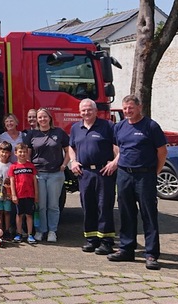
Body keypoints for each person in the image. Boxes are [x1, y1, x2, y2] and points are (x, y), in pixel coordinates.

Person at [108, 95, 167, 271]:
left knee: (148, 215)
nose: (127, 111)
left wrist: (154, 172)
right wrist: (119, 161)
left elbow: (162, 152)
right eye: (125, 108)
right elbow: (117, 146)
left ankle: (151, 254)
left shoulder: (151, 126)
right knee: (126, 213)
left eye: (131, 108)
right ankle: (126, 249)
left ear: (139, 107)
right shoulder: (120, 126)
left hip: (145, 176)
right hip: (124, 175)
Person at [68, 99, 118, 255]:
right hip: (85, 173)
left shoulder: (107, 126)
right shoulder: (76, 128)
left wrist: (115, 162)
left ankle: (106, 242)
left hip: (104, 172)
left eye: (89, 109)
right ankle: (91, 239)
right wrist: (73, 161)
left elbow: (119, 146)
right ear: (79, 112)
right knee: (88, 206)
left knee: (104, 206)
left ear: (96, 111)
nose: (86, 112)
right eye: (83, 110)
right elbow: (71, 146)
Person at [26, 108, 69, 243]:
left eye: (45, 117)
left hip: (55, 174)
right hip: (38, 174)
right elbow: (28, 154)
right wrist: (31, 169)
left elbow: (69, 150)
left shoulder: (59, 132)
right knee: (41, 205)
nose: (42, 119)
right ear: (37, 120)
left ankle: (52, 231)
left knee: (53, 205)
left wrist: (64, 164)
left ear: (50, 118)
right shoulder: (32, 134)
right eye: (40, 117)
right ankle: (41, 230)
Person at [9, 142, 38, 245]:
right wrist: (13, 194)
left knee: (29, 215)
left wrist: (36, 194)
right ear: (15, 153)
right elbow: (12, 182)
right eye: (20, 152)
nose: (22, 154)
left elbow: (35, 181)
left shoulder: (31, 166)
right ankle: (19, 233)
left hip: (30, 195)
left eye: (24, 152)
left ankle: (30, 234)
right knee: (19, 215)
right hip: (19, 195)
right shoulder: (13, 167)